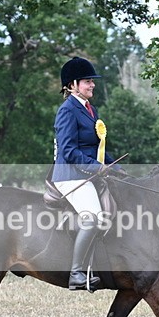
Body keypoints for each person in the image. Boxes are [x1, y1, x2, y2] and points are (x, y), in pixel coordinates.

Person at [52, 56, 117, 291]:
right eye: (88, 81)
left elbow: (96, 149)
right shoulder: (67, 110)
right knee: (92, 217)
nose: (92, 85)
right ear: (73, 85)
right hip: (70, 176)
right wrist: (97, 168)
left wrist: (115, 168)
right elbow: (69, 151)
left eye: (92, 81)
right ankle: (77, 273)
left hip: (88, 173)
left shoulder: (91, 109)